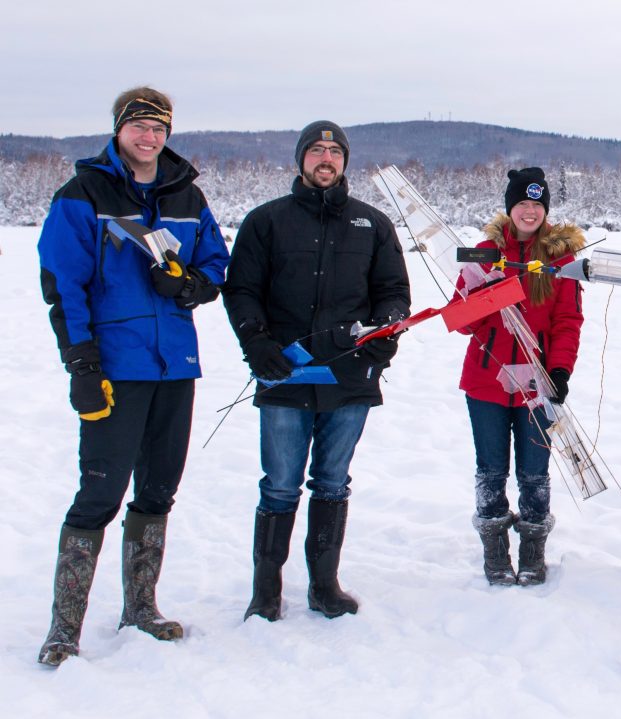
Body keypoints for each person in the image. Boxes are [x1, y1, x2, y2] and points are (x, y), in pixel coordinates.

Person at [35, 86, 229, 666]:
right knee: (99, 494)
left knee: (158, 490)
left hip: (175, 369)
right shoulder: (82, 195)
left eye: (159, 129)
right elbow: (62, 286)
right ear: (119, 129)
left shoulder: (187, 196)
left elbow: (216, 265)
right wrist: (82, 366)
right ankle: (64, 628)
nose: (149, 138)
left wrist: (188, 285)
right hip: (115, 371)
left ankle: (140, 608)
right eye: (139, 126)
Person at [223, 121, 411, 621]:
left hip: (349, 380)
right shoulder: (266, 222)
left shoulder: (372, 224)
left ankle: (324, 586)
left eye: (334, 151)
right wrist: (257, 343)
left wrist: (384, 338)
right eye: (316, 150)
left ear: (345, 161)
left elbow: (394, 294)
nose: (326, 158)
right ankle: (266, 592)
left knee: (331, 482)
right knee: (280, 485)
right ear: (300, 159)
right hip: (286, 375)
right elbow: (241, 289)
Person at [455, 168, 585, 587]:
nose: (529, 211)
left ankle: (532, 546)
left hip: (536, 383)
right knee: (491, 469)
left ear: (545, 210)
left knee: (534, 469)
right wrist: (484, 288)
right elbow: (461, 321)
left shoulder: (560, 261)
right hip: (486, 382)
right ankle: (494, 548)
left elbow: (568, 321)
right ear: (510, 208)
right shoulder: (484, 251)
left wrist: (561, 369)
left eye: (537, 204)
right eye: (522, 204)